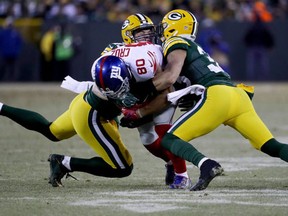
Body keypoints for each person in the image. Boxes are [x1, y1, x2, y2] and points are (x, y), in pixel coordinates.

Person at [121, 9, 288, 191]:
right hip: (237, 96)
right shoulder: (194, 47)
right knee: (270, 146)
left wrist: (139, 90)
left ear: (172, 27)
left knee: (169, 139)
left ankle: (207, 166)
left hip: (217, 96)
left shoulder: (176, 41)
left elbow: (170, 77)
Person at [0, 55, 135, 187]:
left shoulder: (136, 65)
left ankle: (2, 108)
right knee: (123, 167)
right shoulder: (121, 70)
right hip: (91, 115)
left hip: (83, 104)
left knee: (52, 131)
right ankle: (65, 163)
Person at [101, 13, 191, 189]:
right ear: (128, 35)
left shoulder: (158, 48)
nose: (147, 35)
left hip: (161, 96)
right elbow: (111, 85)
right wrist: (124, 108)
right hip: (138, 100)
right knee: (148, 139)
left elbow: (173, 76)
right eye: (141, 32)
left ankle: (182, 175)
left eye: (149, 31)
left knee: (164, 132)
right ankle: (171, 162)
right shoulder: (114, 51)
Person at [0, 17, 23, 81]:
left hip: (13, 53)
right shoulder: (3, 32)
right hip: (5, 53)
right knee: (3, 68)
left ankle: (12, 80)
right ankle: (2, 80)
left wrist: (17, 50)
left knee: (12, 69)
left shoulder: (15, 32)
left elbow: (19, 42)